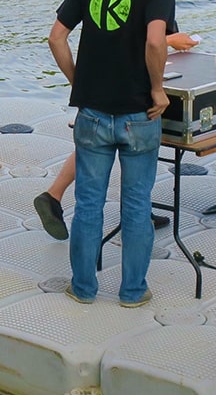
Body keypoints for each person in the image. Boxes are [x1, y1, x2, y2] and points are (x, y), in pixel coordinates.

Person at [47, 0, 178, 308]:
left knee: (89, 204)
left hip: (92, 114)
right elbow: (155, 41)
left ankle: (83, 288)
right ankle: (132, 292)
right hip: (139, 114)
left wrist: (79, 82)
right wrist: (157, 89)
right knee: (136, 206)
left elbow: (56, 37)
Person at [33, 29, 198, 241]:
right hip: (119, 90)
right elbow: (124, 44)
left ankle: (54, 195)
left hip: (104, 86)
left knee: (93, 143)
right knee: (122, 145)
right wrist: (169, 40)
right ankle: (136, 216)